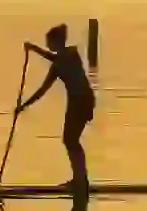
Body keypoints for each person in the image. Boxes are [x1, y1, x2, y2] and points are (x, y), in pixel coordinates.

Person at [16, 24, 96, 190]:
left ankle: (81, 181)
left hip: (83, 101)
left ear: (57, 42)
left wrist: (34, 49)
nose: (48, 46)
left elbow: (57, 60)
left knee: (71, 140)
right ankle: (80, 179)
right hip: (75, 102)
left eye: (50, 42)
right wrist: (24, 105)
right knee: (70, 140)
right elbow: (43, 89)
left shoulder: (71, 55)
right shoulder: (60, 63)